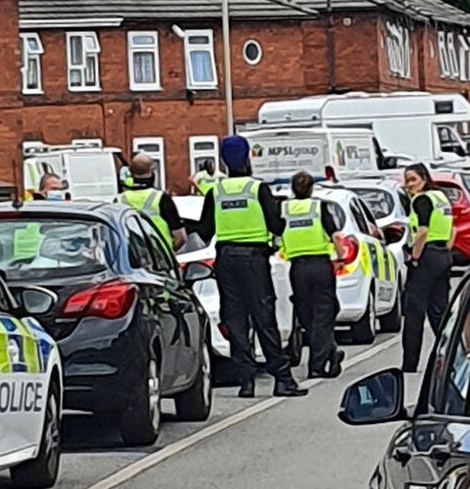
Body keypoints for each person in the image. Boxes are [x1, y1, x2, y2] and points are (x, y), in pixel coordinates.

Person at [192, 136, 305, 398]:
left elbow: (205, 231)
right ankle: (282, 379)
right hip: (254, 259)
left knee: (235, 320)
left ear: (223, 161)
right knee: (264, 318)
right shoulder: (258, 189)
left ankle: (246, 383)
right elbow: (276, 226)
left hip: (226, 260)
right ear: (247, 158)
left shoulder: (215, 192)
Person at [281, 171, 345, 379]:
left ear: (292, 188)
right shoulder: (320, 207)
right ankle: (321, 361)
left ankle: (328, 353)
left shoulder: (284, 209)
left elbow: (276, 233)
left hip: (298, 268)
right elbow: (336, 235)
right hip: (320, 266)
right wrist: (341, 256)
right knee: (324, 314)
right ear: (311, 189)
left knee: (306, 314)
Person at [401, 164, 454, 373]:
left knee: (414, 312)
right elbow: (452, 228)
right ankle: (450, 357)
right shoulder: (440, 197)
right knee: (439, 311)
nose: (409, 185)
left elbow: (422, 232)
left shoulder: (422, 200)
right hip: (442, 256)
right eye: (406, 180)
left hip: (426, 257)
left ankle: (410, 364)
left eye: (413, 179)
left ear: (424, 178)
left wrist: (414, 257)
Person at [118, 152, 186, 251]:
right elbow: (180, 237)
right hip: (161, 259)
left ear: (130, 172)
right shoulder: (161, 198)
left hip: (130, 259)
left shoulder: (119, 200)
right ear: (152, 171)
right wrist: (168, 253)